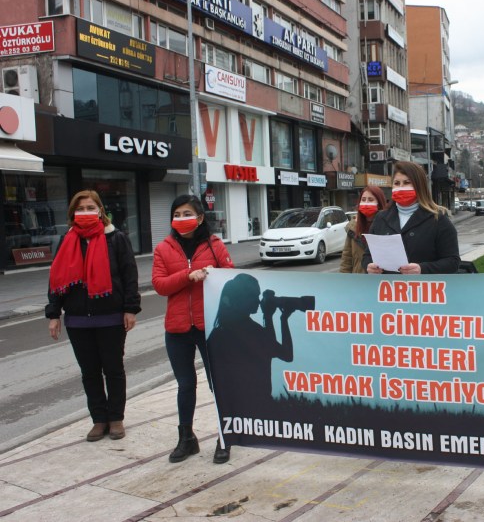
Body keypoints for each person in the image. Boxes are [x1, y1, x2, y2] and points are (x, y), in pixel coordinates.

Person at [46, 190, 140, 442]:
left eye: (90, 208)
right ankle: (99, 419)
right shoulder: (67, 240)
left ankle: (116, 418)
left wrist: (130, 308)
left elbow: (129, 275)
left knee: (113, 369)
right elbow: (56, 279)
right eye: (80, 209)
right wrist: (53, 314)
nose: (85, 212)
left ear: (100, 211)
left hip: (110, 316)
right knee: (89, 372)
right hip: (77, 320)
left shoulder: (116, 238)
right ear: (72, 213)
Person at [152, 195, 233, 464]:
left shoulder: (214, 245)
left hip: (210, 327)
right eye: (176, 214)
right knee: (185, 384)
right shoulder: (163, 248)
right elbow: (160, 285)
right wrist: (188, 276)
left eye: (187, 214)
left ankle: (225, 436)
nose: (181, 219)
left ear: (199, 218)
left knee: (218, 383)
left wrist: (213, 275)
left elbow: (231, 278)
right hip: (177, 329)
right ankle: (186, 438)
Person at [207, 275, 307, 418]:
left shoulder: (220, 333)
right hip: (256, 407)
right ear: (238, 298)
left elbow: (273, 349)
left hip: (235, 408)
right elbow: (285, 354)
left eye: (258, 296)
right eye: (252, 296)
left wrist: (271, 317)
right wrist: (281, 319)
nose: (257, 301)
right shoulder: (249, 330)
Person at [363, 161, 460, 274]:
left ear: (419, 186)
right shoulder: (381, 218)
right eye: (397, 183)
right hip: (388, 284)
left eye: (407, 182)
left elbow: (453, 262)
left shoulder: (438, 219)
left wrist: (422, 269)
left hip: (422, 284)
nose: (401, 187)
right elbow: (367, 256)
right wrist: (369, 266)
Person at [339, 185, 387, 273]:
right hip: (358, 279)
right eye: (363, 200)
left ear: (379, 203)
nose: (366, 203)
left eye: (371, 200)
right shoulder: (353, 227)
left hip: (380, 279)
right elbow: (347, 259)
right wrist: (343, 279)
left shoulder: (387, 225)